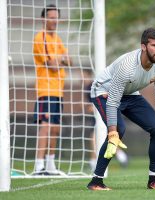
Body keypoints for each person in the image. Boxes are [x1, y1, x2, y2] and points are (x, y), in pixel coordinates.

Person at [86, 28, 155, 190]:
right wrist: (112, 132)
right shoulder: (127, 66)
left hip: (130, 93)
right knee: (119, 130)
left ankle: (153, 181)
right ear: (143, 47)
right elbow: (113, 101)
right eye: (154, 45)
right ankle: (96, 181)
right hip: (104, 93)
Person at [32, 4, 72, 175]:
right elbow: (54, 66)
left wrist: (61, 60)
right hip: (45, 89)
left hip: (58, 90)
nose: (54, 20)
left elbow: (70, 61)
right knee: (46, 126)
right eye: (51, 17)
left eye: (56, 17)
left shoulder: (58, 39)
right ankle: (38, 165)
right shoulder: (41, 38)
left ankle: (50, 165)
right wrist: (61, 60)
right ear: (44, 19)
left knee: (55, 128)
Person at [82, 69, 129, 172]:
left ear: (88, 75)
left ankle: (96, 162)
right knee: (97, 139)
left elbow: (97, 103)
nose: (82, 78)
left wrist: (90, 107)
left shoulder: (92, 85)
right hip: (94, 118)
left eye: (84, 76)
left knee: (98, 139)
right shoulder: (86, 87)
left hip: (101, 116)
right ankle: (121, 157)